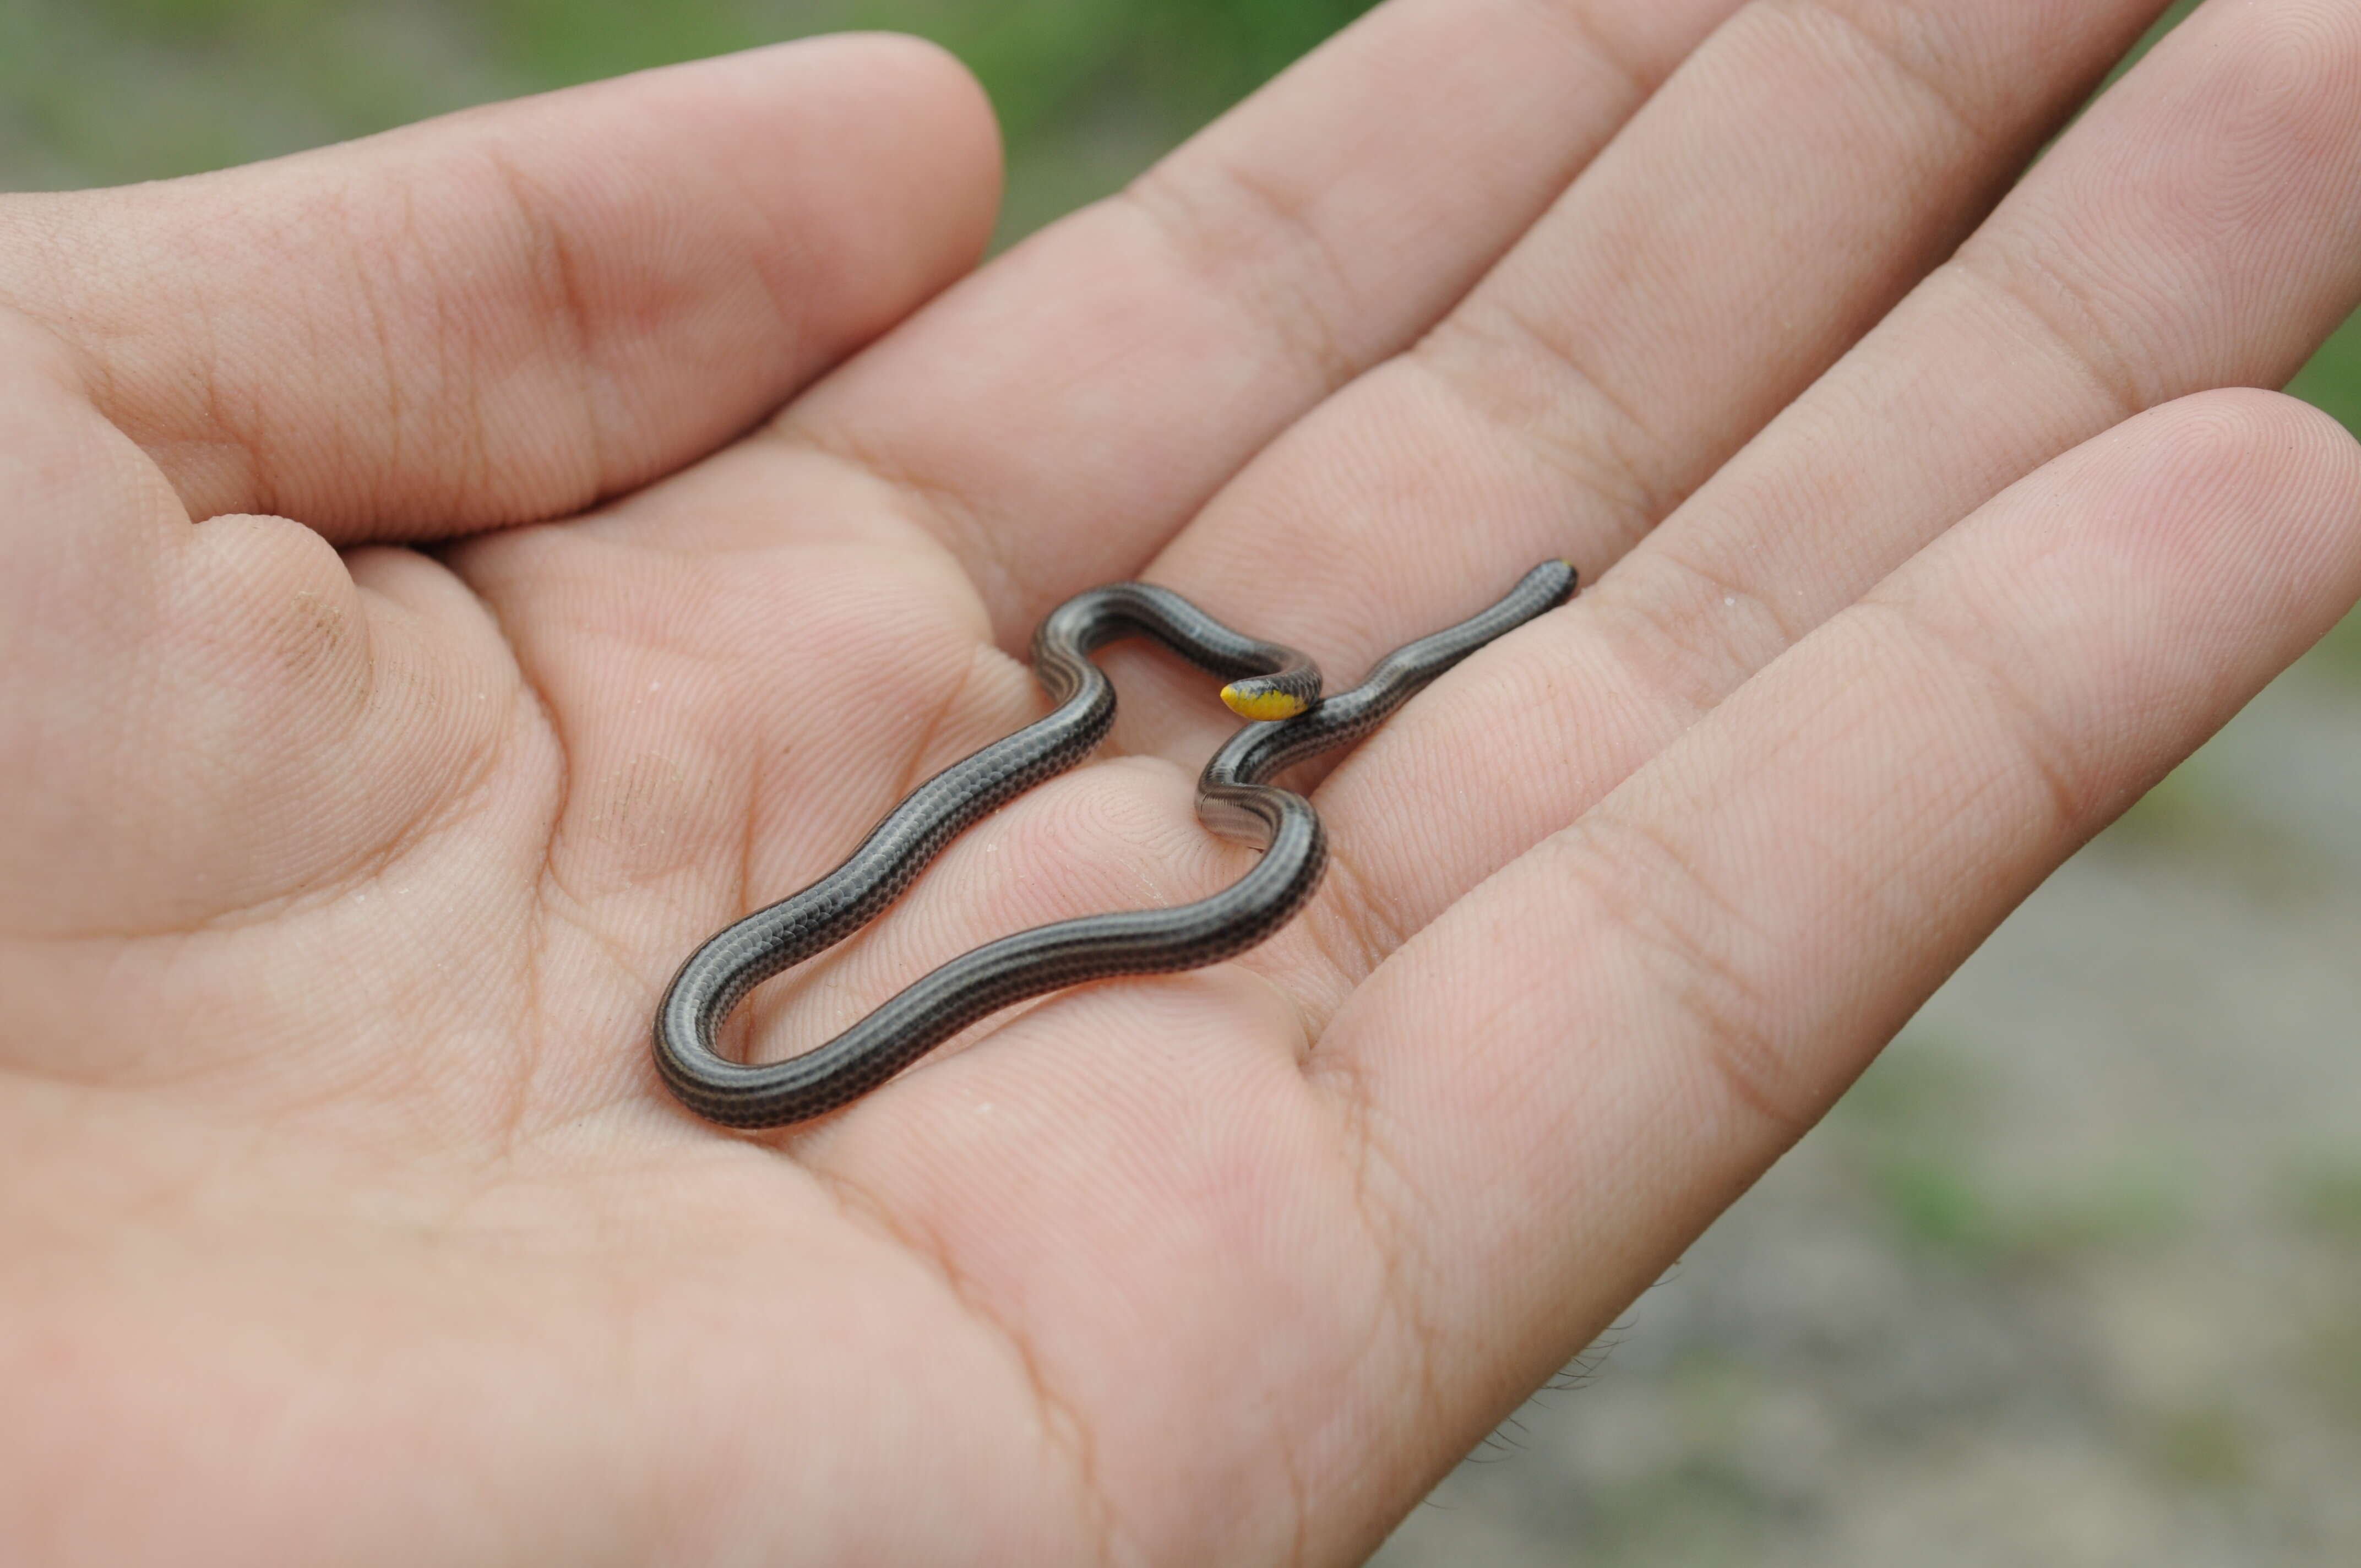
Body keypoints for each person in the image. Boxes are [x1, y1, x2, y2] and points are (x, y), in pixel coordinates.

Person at [3, 1, 2356, 1561]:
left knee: (1086, 779)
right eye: (1268, 739)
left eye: (1268, 754)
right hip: (1146, 732)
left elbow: (1240, 744)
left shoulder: (1239, 776)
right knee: (1047, 770)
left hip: (1198, 726)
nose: (1261, 766)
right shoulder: (1167, 725)